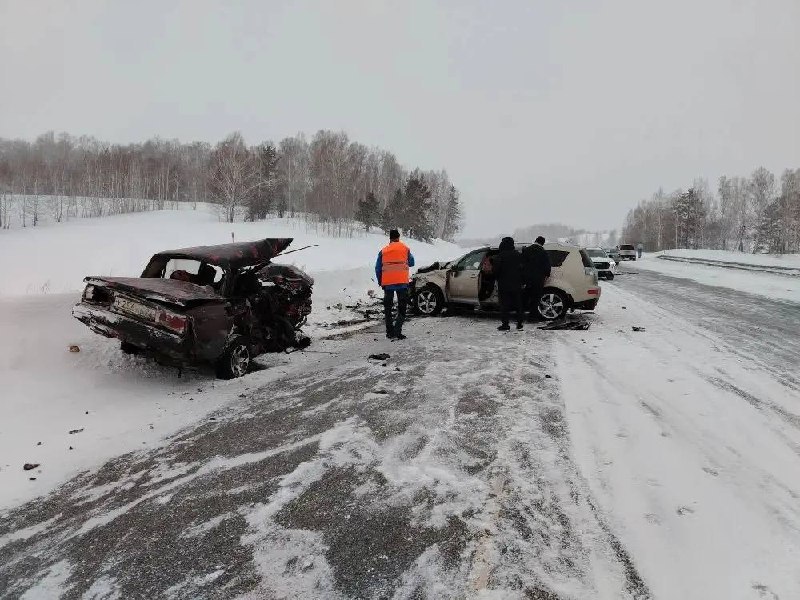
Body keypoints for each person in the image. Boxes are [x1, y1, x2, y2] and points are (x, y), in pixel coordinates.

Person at [375, 229, 415, 340]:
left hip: (388, 284)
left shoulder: (383, 251)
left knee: (388, 308)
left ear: (390, 238)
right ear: (398, 237)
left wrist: (380, 281)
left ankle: (389, 332)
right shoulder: (405, 249)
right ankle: (398, 331)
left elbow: (378, 268)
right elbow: (412, 262)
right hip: (402, 283)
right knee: (402, 307)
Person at [492, 236, 524, 331]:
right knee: (518, 305)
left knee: (504, 305)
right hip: (517, 284)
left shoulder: (500, 256)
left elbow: (496, 271)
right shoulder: (518, 255)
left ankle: (505, 324)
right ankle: (519, 324)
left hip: (504, 285)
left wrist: (496, 278)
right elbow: (523, 269)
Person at [521, 236, 551, 320]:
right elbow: (547, 266)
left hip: (526, 279)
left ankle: (521, 315)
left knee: (525, 296)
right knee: (535, 298)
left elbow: (521, 264)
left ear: (535, 240)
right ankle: (533, 316)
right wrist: (546, 275)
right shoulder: (543, 252)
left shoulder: (526, 250)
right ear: (542, 243)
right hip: (538, 279)